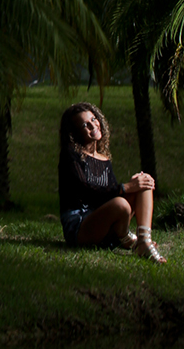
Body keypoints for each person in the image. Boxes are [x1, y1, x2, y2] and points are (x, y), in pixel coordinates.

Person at [58, 102, 165, 262]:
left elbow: (110, 192)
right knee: (120, 205)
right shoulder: (70, 156)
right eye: (84, 125)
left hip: (105, 221)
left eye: (94, 119)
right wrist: (125, 187)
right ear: (74, 133)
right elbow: (88, 190)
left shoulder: (103, 158)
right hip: (80, 225)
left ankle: (143, 241)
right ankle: (125, 237)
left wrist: (132, 186)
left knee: (144, 182)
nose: (93, 125)